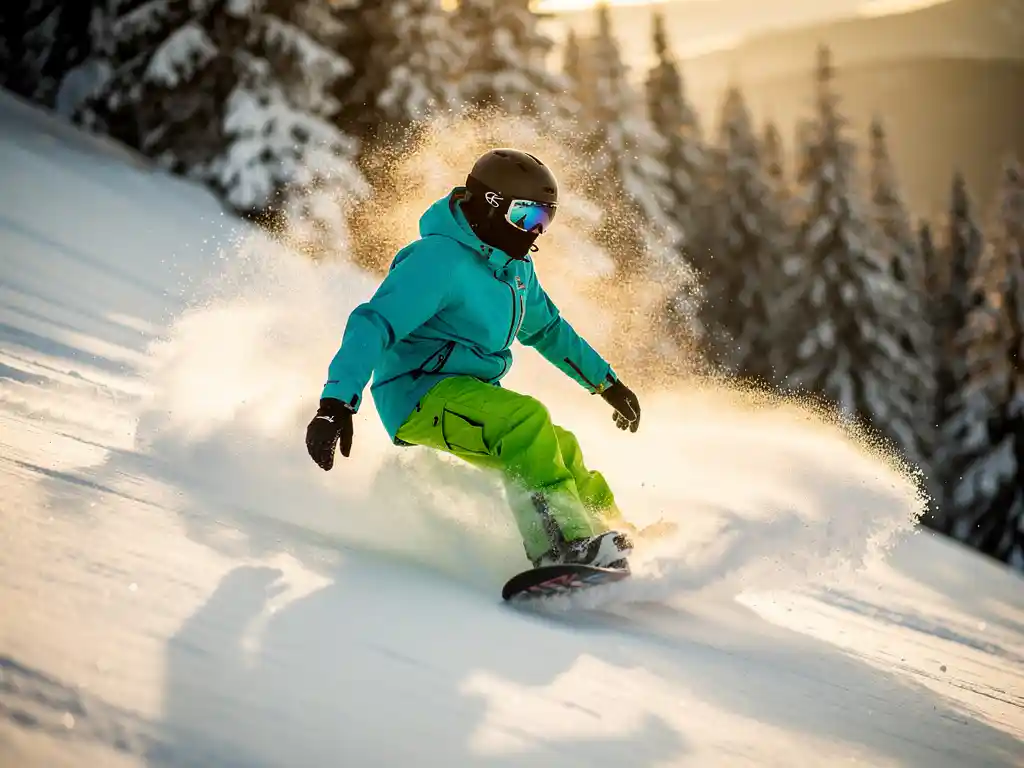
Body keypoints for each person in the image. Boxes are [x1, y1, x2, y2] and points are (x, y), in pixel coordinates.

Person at [305, 148, 642, 571]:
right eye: (526, 217)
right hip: (418, 393)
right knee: (526, 422)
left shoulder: (515, 270)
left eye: (544, 220)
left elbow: (548, 329)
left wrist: (606, 383)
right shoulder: (438, 261)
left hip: (471, 393)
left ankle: (613, 534)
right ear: (490, 205)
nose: (534, 232)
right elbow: (373, 324)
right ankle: (562, 547)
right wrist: (336, 402)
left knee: (560, 445)